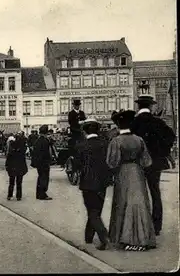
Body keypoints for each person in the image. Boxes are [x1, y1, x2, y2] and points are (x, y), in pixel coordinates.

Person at [107, 110, 156, 251]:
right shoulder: (139, 139)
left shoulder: (116, 141)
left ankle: (124, 238)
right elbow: (147, 161)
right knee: (140, 202)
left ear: (117, 125)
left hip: (123, 173)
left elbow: (112, 162)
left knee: (123, 202)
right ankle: (144, 237)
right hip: (138, 173)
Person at [131, 95, 176, 236]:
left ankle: (140, 225)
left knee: (138, 193)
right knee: (155, 192)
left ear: (139, 107)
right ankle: (156, 226)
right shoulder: (158, 122)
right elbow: (171, 137)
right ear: (151, 107)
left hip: (138, 163)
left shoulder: (133, 123)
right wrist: (162, 151)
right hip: (155, 162)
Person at [73, 119, 112, 250]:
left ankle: (103, 235)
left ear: (85, 131)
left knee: (92, 211)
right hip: (102, 182)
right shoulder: (105, 144)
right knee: (96, 209)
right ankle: (88, 236)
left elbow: (77, 165)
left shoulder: (81, 145)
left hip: (88, 182)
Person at [31, 125, 53, 200]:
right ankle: (43, 194)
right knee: (44, 178)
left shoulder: (37, 141)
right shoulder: (45, 141)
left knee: (40, 177)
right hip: (44, 163)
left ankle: (39, 194)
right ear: (46, 132)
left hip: (38, 163)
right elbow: (47, 153)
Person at [5, 133, 28, 201]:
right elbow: (23, 160)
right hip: (20, 167)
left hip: (12, 167)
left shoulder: (12, 147)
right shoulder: (22, 149)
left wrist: (7, 166)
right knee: (19, 183)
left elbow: (8, 158)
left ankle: (10, 195)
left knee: (11, 182)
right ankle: (19, 196)